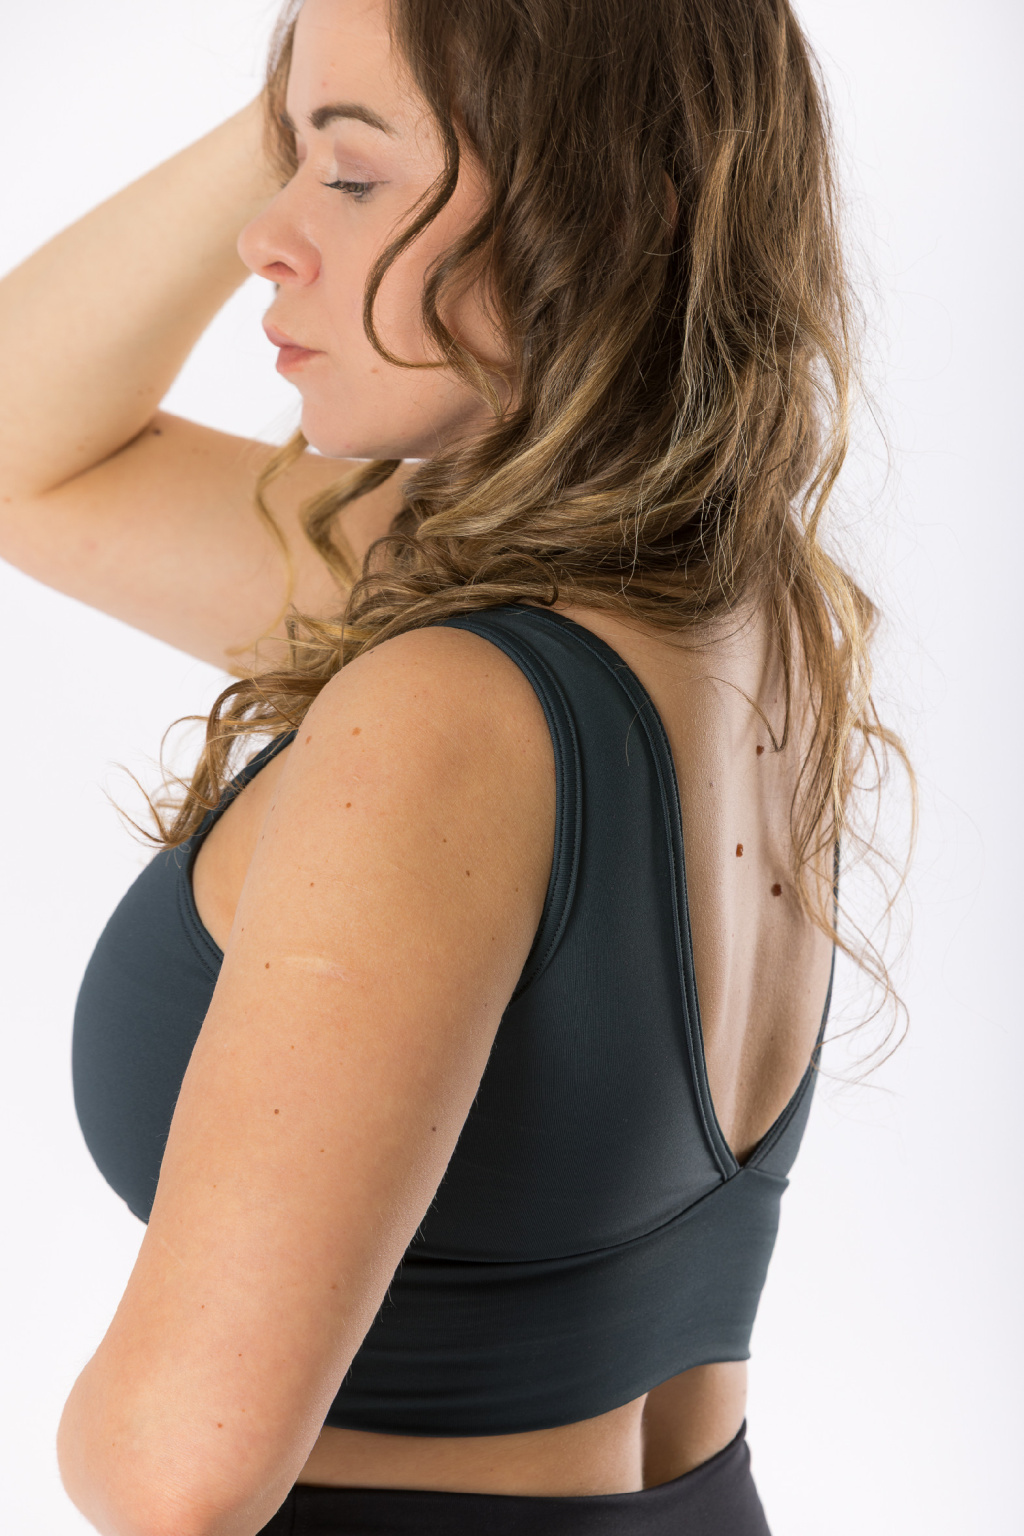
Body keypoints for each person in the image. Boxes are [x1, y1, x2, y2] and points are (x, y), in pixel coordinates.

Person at [0, 0, 913, 1532]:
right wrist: (322, 94)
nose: (267, 238)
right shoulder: (736, 610)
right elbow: (22, 452)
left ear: (604, 204)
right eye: (292, 164)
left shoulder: (447, 707)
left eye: (352, 180)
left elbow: (176, 1471)